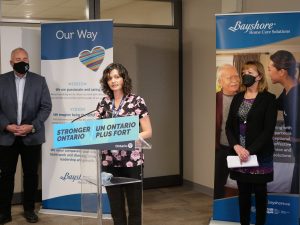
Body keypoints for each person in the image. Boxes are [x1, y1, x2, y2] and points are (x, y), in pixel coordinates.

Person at [0, 47, 52, 224]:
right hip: (7, 137)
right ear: (11, 62)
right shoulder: (1, 80)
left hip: (32, 136)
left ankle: (29, 210)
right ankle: (4, 212)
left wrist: (32, 127)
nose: (22, 61)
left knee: (31, 175)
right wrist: (6, 125)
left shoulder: (39, 81)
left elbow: (46, 107)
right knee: (6, 176)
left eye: (25, 58)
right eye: (18, 58)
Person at [97, 63, 152, 225]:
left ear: (123, 78)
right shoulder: (103, 103)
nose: (113, 81)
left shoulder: (136, 101)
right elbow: (98, 131)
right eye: (109, 78)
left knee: (134, 207)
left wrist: (127, 138)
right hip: (109, 161)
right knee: (115, 207)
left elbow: (148, 131)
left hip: (132, 161)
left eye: (116, 77)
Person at [226, 61, 277, 225]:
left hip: (260, 155)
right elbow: (229, 127)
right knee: (243, 195)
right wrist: (237, 146)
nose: (245, 75)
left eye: (250, 71)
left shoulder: (269, 99)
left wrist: (250, 150)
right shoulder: (238, 98)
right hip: (239, 155)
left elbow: (268, 131)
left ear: (259, 76)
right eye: (244, 72)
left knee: (261, 195)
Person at [268, 50, 300, 194]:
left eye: (270, 69)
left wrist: (277, 137)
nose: (268, 72)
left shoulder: (296, 95)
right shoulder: (287, 92)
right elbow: (273, 105)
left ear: (282, 72)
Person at [214, 64, 240, 199]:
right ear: (220, 82)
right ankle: (218, 211)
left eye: (236, 76)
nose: (234, 80)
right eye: (230, 77)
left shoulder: (245, 98)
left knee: (245, 185)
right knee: (218, 184)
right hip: (221, 149)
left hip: (243, 150)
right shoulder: (214, 99)